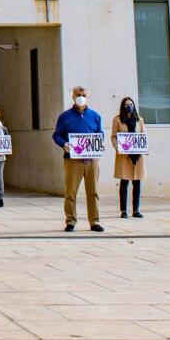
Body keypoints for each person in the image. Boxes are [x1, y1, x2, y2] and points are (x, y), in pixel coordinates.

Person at [52, 86, 105, 233]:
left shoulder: (95, 116)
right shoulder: (64, 116)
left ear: (88, 96)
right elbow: (56, 135)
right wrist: (64, 144)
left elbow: (100, 134)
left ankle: (94, 222)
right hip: (72, 160)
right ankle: (70, 221)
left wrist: (101, 144)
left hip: (92, 160)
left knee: (93, 192)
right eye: (78, 94)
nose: (81, 97)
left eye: (83, 95)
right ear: (73, 96)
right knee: (71, 192)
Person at [110, 97, 145, 219]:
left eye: (131, 104)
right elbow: (113, 136)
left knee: (137, 182)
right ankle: (124, 210)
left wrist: (144, 148)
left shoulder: (139, 120)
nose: (129, 106)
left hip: (137, 156)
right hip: (124, 155)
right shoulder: (118, 120)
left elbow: (143, 136)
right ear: (123, 106)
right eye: (126, 104)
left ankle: (136, 210)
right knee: (124, 182)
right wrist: (118, 148)